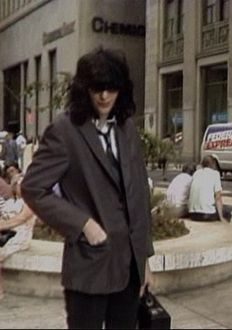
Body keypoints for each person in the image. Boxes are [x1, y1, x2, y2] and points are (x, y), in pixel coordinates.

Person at [21, 48, 154, 329]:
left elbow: (139, 194)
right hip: (88, 267)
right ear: (84, 89)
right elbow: (33, 188)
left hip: (129, 269)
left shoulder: (127, 128)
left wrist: (145, 261)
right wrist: (83, 224)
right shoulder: (64, 130)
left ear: (121, 88)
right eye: (97, 88)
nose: (104, 96)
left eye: (110, 87)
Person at [0, 175, 35, 300]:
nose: (18, 187)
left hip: (20, 235)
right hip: (8, 233)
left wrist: (2, 225)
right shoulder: (11, 201)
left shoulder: (31, 202)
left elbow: (22, 218)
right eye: (17, 184)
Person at [188, 155, 231, 222]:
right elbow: (218, 197)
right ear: (213, 164)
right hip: (207, 214)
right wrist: (221, 217)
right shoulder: (215, 174)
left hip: (192, 214)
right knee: (227, 211)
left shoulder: (196, 173)